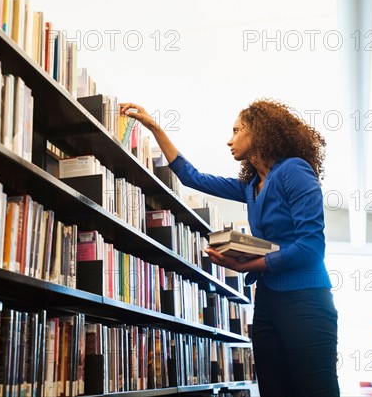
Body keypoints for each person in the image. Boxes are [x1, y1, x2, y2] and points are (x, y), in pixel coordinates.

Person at [119, 99, 339, 397]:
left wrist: (248, 265)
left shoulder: (294, 171)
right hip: (268, 302)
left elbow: (311, 247)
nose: (229, 139)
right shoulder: (250, 187)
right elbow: (191, 176)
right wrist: (154, 127)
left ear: (259, 133)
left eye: (237, 130)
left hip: (306, 300)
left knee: (314, 389)